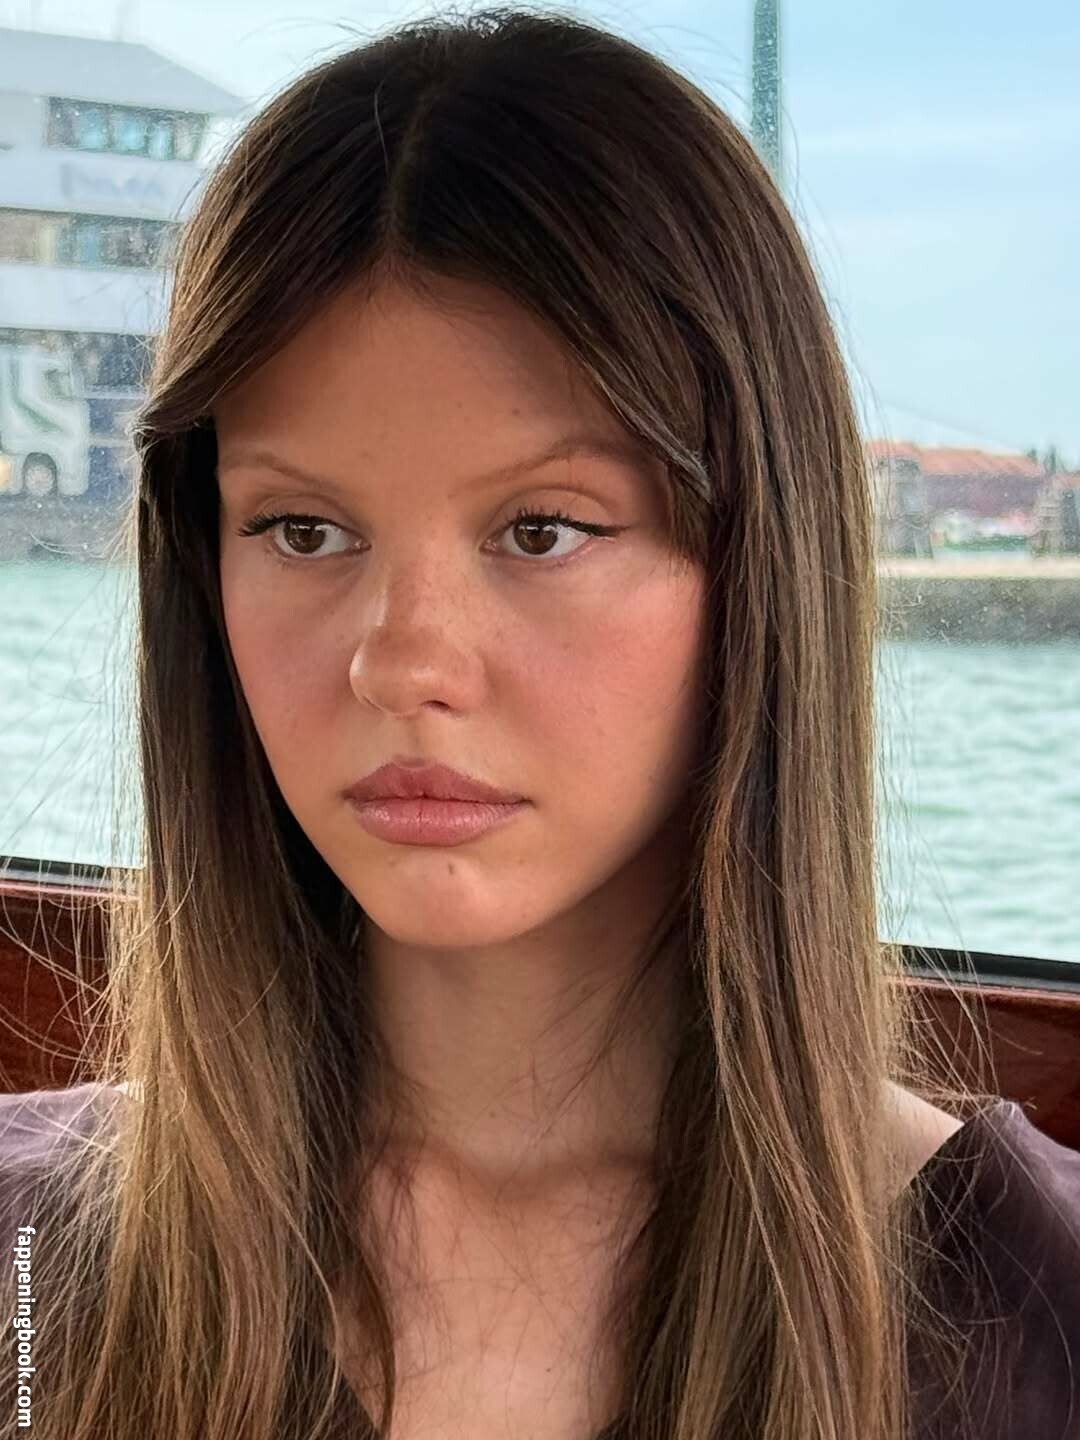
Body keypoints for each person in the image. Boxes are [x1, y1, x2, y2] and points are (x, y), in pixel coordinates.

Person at [1, 9, 1077, 1440]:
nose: (402, 663)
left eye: (543, 528)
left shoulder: (1043, 1311)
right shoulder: (27, 1256)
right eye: (302, 529)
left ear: (758, 568)